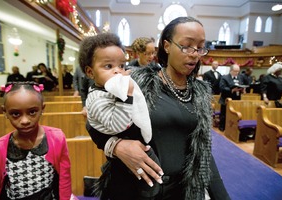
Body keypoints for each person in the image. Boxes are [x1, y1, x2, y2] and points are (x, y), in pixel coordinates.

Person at [81, 17, 230, 200]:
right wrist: (117, 146)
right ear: (167, 46)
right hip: (134, 187)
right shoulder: (136, 81)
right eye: (186, 46)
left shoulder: (200, 93)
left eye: (200, 47)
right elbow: (94, 120)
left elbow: (204, 151)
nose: (194, 53)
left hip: (180, 191)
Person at [79, 33, 161, 199]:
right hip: (124, 165)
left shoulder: (116, 85)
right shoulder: (100, 95)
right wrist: (115, 145)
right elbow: (109, 124)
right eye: (108, 66)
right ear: (90, 72)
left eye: (121, 66)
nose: (117, 71)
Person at [0, 81, 73, 199]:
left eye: (32, 112)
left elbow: (64, 178)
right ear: (5, 112)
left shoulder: (56, 138)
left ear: (42, 108)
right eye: (16, 114)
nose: (25, 120)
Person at [218, 64, 245, 131]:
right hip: (226, 99)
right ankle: (222, 127)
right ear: (231, 70)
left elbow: (241, 85)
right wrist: (231, 90)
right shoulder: (225, 77)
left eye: (238, 71)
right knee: (224, 114)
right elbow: (222, 88)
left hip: (236, 99)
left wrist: (243, 90)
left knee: (234, 114)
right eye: (235, 71)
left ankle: (232, 128)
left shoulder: (240, 77)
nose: (237, 73)